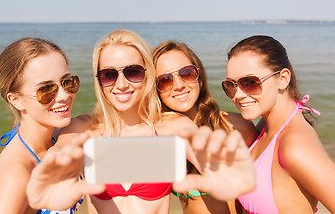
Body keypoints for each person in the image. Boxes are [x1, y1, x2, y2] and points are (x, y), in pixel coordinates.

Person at [26, 29, 256, 214]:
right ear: (99, 80)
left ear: (147, 75)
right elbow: (57, 154)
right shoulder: (82, 128)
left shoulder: (171, 126)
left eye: (133, 72)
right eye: (109, 74)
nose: (122, 84)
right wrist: (50, 181)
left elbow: (198, 149)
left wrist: (222, 172)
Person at [0, 38, 101, 214]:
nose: (63, 96)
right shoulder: (16, 173)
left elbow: (90, 120)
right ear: (16, 100)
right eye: (46, 90)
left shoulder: (56, 136)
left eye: (67, 82)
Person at [222, 35, 335, 213]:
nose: (238, 95)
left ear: (282, 78)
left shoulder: (295, 146)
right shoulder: (265, 126)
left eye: (250, 82)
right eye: (231, 85)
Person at [152, 41, 258, 214]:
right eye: (165, 80)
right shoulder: (162, 134)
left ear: (198, 76)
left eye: (186, 73)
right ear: (155, 89)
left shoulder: (236, 126)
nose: (178, 85)